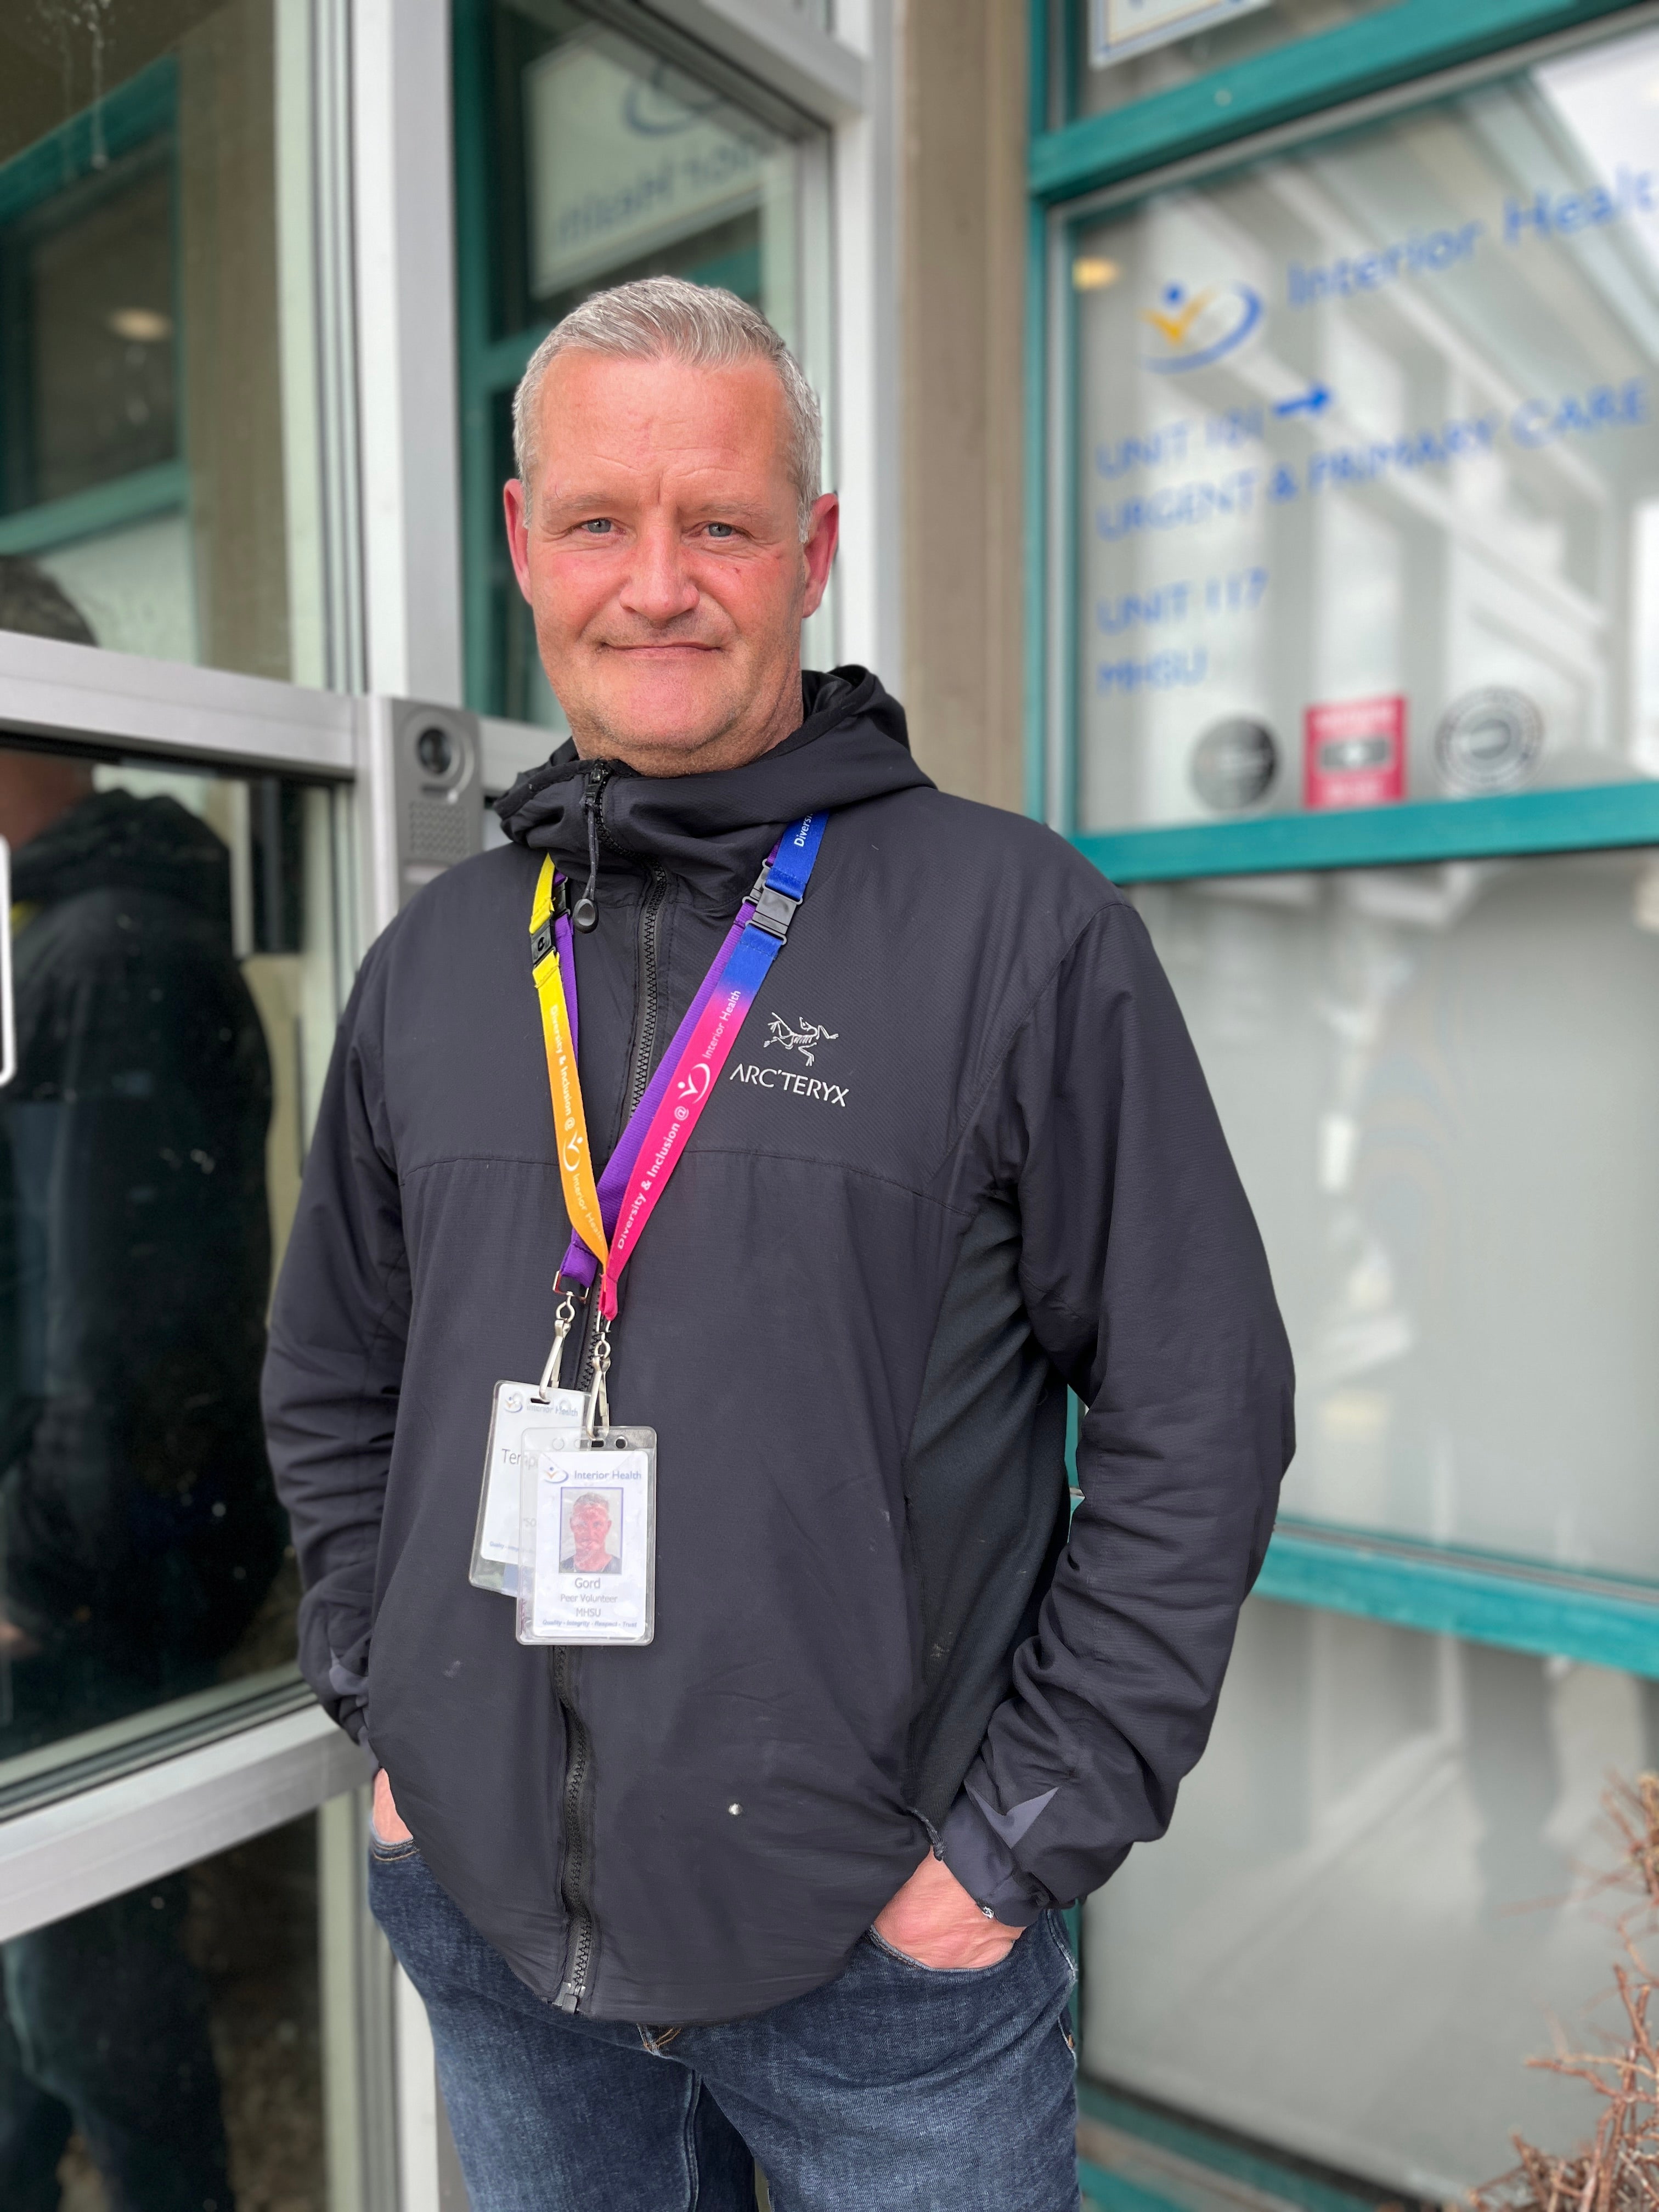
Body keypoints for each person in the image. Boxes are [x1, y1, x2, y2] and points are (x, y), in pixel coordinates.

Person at [264, 278, 1294, 2211]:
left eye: (718, 523)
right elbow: (336, 1376)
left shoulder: (1016, 931)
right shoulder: (439, 966)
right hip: (500, 1947)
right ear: (521, 545)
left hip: (884, 1988)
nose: (655, 583)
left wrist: (1001, 1855)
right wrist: (387, 1717)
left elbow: (1200, 1409)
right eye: (597, 521)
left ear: (810, 552)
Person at [0, 555, 283, 2209]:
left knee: (98, 2012)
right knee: (40, 2008)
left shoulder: (107, 953)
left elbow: (129, 1330)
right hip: (67, 1556)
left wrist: (30, 1578)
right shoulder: (56, 934)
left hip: (88, 1585)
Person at [561, 1493, 620, 1575]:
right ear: (572, 1524)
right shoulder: (560, 1569)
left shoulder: (623, 1569)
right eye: (582, 1525)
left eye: (597, 1525)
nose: (590, 1533)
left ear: (608, 1526)